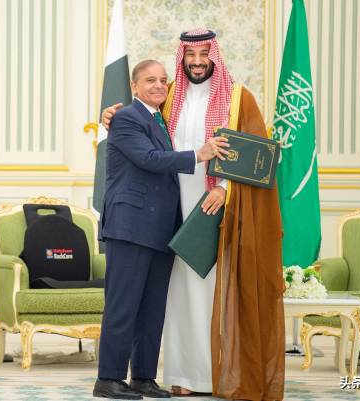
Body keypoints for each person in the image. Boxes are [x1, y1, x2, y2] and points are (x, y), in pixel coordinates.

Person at [103, 29, 285, 401]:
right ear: (182, 58)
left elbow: (259, 158)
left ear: (214, 57)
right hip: (164, 212)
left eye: (204, 54)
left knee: (211, 289)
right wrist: (110, 114)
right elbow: (139, 128)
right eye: (191, 55)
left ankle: (218, 374)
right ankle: (181, 374)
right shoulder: (169, 97)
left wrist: (224, 188)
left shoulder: (238, 98)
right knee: (173, 296)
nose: (198, 62)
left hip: (215, 207)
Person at [93, 59, 229, 400]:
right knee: (123, 306)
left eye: (162, 80)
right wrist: (199, 155)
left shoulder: (161, 119)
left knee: (152, 310)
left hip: (160, 229)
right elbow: (150, 159)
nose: (157, 85)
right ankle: (108, 379)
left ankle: (143, 377)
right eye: (149, 80)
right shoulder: (126, 118)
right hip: (130, 227)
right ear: (134, 86)